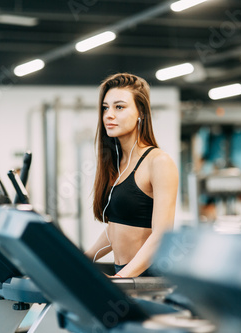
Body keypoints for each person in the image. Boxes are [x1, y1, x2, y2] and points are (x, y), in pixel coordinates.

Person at [84, 73, 179, 278]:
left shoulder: (158, 162)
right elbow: (118, 226)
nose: (109, 114)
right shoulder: (117, 163)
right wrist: (85, 257)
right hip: (124, 275)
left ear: (141, 113)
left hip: (146, 278)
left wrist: (121, 279)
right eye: (105, 107)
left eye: (119, 107)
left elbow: (161, 235)